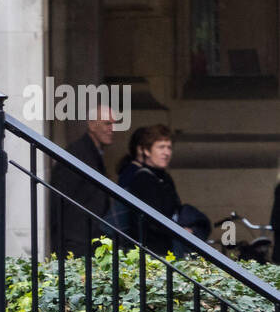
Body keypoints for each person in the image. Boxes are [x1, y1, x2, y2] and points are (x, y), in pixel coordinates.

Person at [49, 105, 116, 258]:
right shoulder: (77, 154)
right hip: (77, 245)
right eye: (107, 123)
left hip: (88, 241)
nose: (112, 129)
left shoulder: (91, 152)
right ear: (92, 125)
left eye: (113, 123)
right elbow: (61, 201)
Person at [116, 124, 190, 257]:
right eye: (161, 147)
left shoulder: (164, 177)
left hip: (165, 251)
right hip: (151, 255)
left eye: (169, 147)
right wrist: (179, 230)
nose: (166, 152)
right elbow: (152, 222)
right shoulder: (142, 179)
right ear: (146, 151)